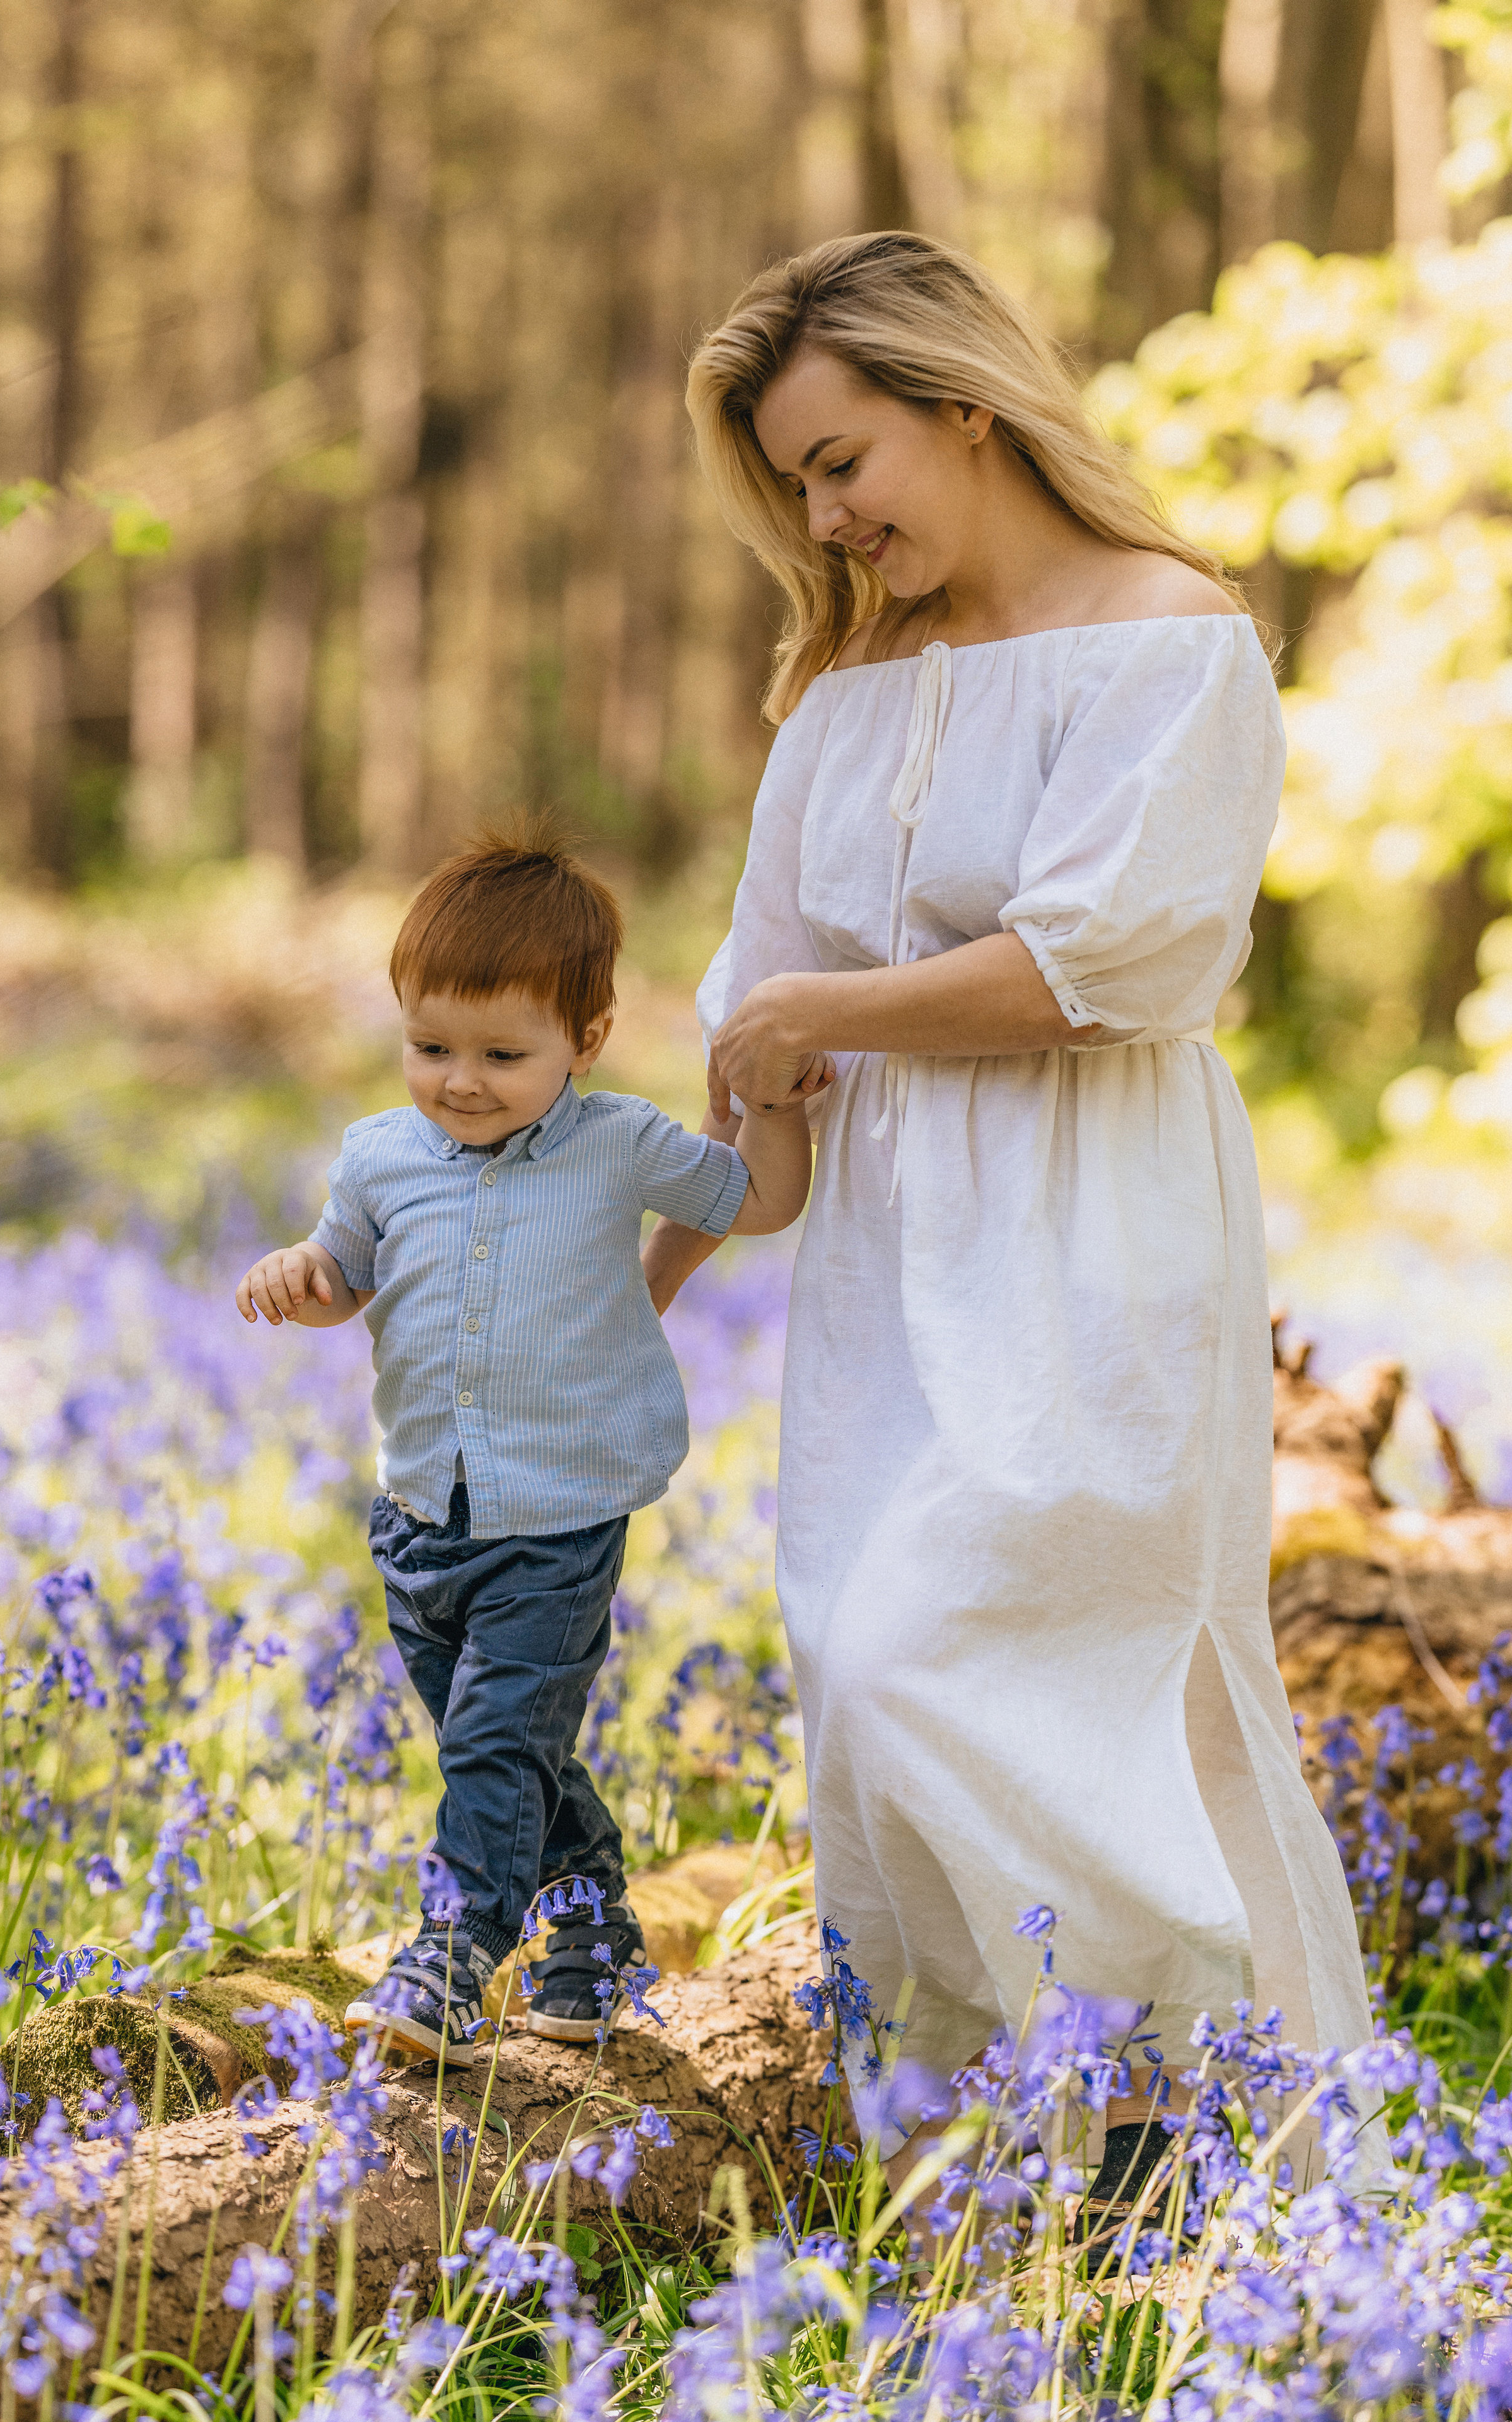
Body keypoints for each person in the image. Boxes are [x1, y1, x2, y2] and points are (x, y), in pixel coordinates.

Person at [641, 231, 1380, 2203]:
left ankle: (1189, 2112)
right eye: (797, 483)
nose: (827, 513)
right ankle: (1031, 2163)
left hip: (1094, 1233)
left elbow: (1102, 969)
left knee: (984, 1648)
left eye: (842, 459)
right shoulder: (841, 690)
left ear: (964, 405)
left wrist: (826, 1016)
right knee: (867, 1681)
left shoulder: (1172, 639)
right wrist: (635, 1278)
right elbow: (759, 1051)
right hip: (896, 1264)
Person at [235, 831, 817, 2064]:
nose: (460, 1081)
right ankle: (594, 1933)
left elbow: (756, 1203)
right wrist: (305, 1276)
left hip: (557, 1521)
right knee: (506, 1747)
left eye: (504, 1055)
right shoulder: (379, 1156)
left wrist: (771, 1112)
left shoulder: (619, 1145)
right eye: (431, 1047)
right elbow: (346, 1271)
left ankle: (453, 1958)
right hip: (418, 1519)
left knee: (498, 1745)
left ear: (585, 1040)